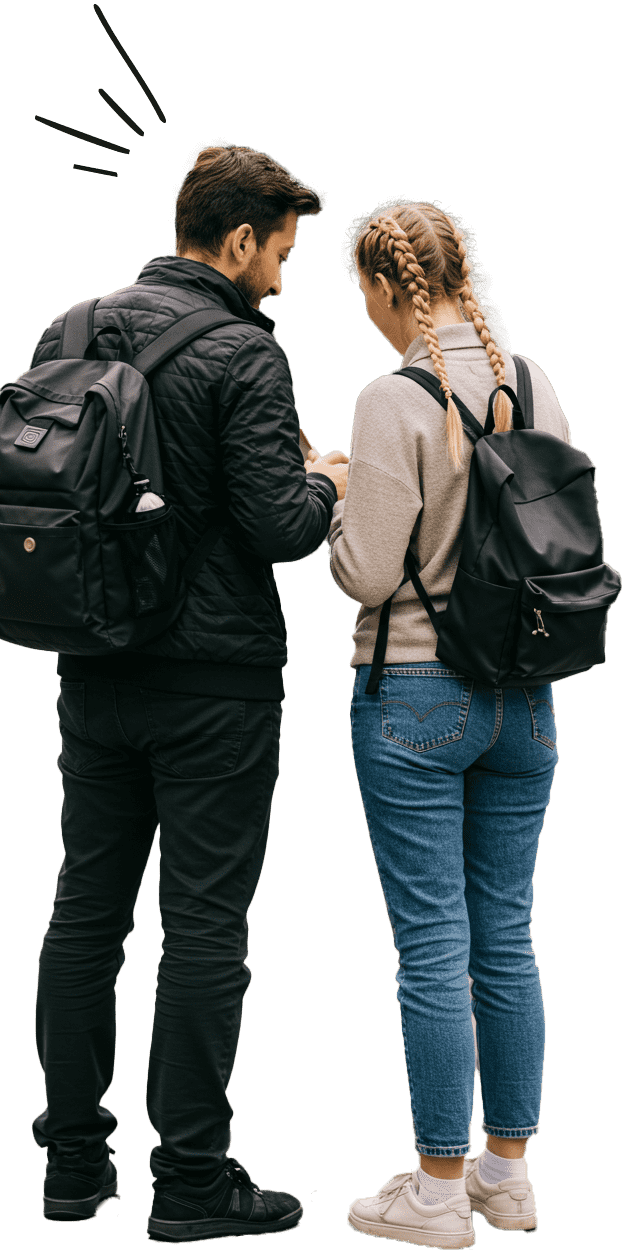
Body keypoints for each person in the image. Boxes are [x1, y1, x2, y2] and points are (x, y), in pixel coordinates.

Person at [30, 142, 348, 1242]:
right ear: (239, 237)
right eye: (279, 254)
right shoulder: (244, 355)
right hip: (214, 684)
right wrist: (325, 479)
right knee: (204, 927)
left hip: (92, 665)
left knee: (84, 913)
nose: (279, 277)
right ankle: (191, 1182)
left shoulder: (69, 330)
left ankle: (72, 1169)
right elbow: (278, 527)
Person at [322, 202, 570, 1247]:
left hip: (418, 694)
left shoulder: (392, 395)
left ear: (386, 288)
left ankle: (431, 1191)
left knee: (432, 947)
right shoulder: (530, 380)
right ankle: (503, 1176)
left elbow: (370, 571)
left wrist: (335, 490)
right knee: (505, 937)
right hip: (526, 695)